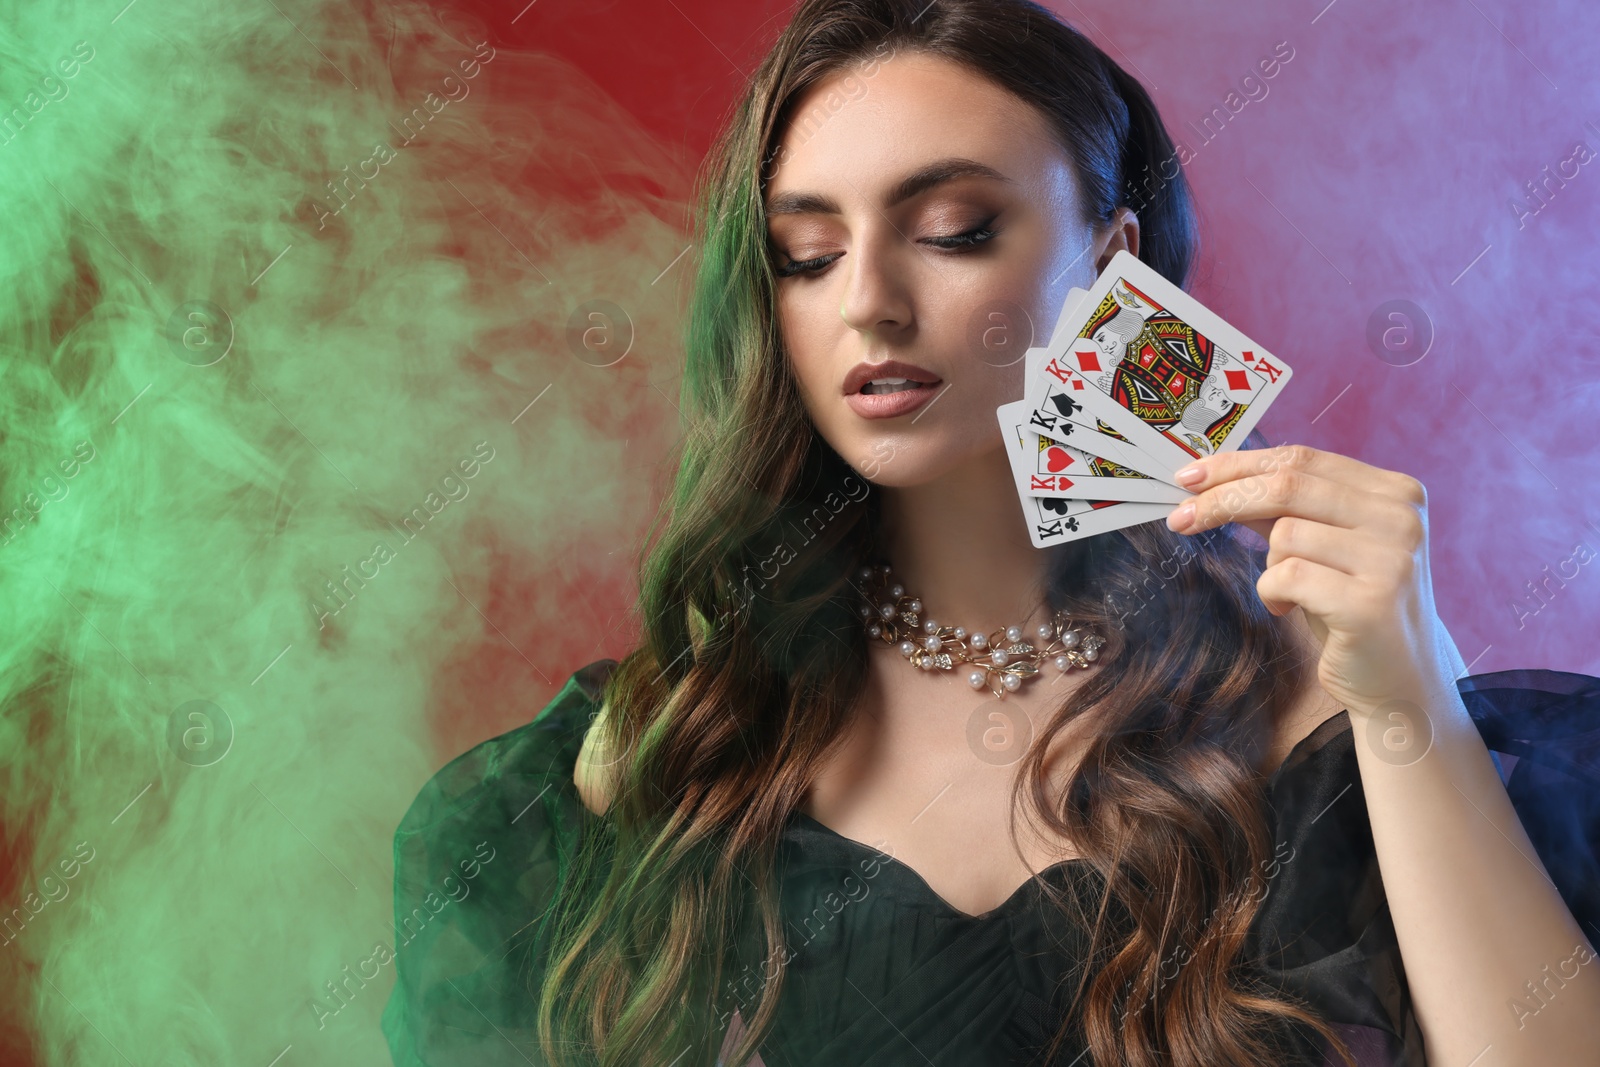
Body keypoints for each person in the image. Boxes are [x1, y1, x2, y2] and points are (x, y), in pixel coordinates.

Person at [381, 1, 1600, 1064]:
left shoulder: (1328, 711)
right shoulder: (633, 765)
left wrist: (1407, 705)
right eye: (807, 254)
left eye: (955, 230)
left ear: (1110, 266)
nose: (866, 301)